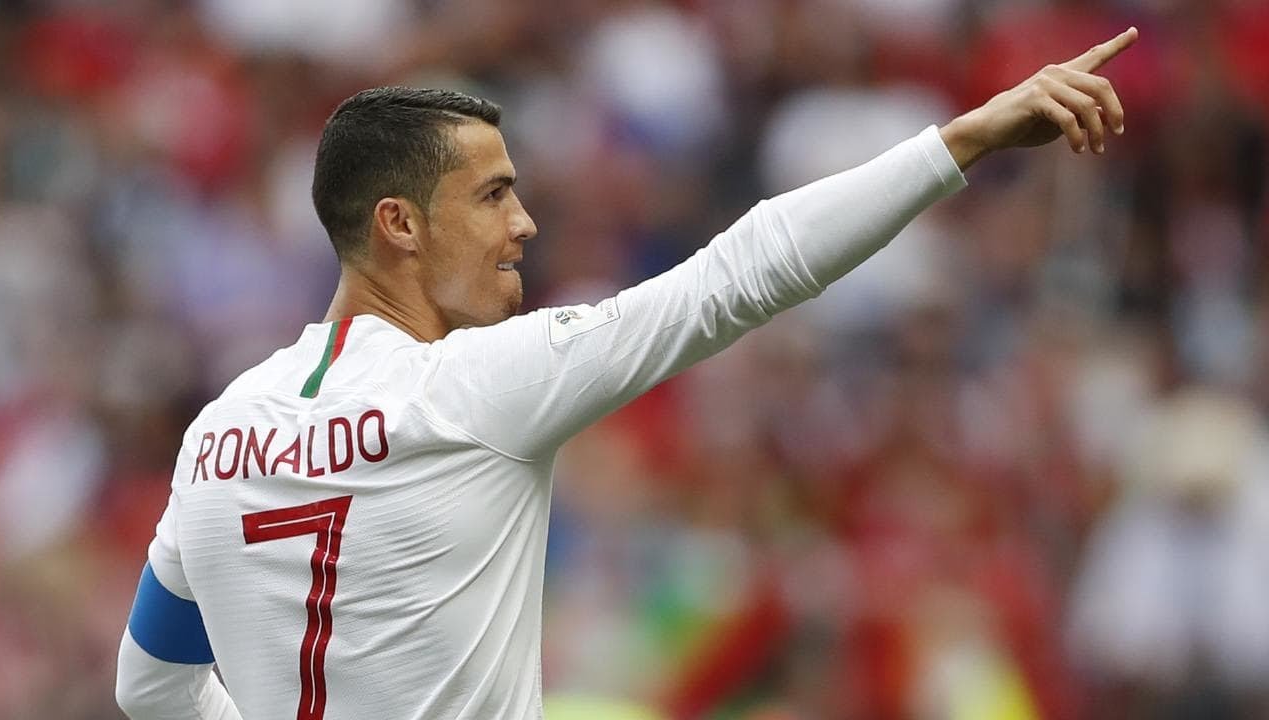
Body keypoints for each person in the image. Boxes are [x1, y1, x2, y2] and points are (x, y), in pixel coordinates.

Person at [114, 28, 1139, 720]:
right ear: (400, 225)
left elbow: (150, 685)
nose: (524, 224)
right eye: (492, 196)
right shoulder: (475, 388)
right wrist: (964, 140)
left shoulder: (217, 436)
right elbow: (737, 276)